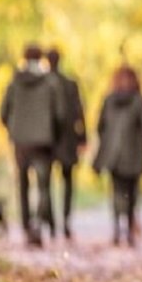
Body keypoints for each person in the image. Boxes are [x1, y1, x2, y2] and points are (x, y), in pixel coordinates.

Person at [0, 44, 66, 247]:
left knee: (23, 185)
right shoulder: (51, 82)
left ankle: (26, 227)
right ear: (41, 59)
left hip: (20, 141)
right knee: (44, 186)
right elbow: (60, 114)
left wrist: (15, 129)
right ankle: (38, 223)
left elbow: (3, 113)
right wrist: (52, 133)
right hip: (43, 142)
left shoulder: (14, 82)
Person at [93, 65, 142, 247]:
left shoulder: (109, 100)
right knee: (132, 193)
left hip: (113, 154)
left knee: (117, 192)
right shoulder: (138, 100)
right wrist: (137, 142)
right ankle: (130, 231)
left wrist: (108, 142)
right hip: (133, 154)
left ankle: (117, 228)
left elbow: (100, 126)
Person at [46, 48, 87, 240]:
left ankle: (52, 224)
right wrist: (82, 137)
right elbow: (79, 112)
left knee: (44, 183)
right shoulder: (71, 84)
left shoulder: (43, 83)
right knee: (68, 181)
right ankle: (66, 221)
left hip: (47, 140)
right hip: (68, 140)